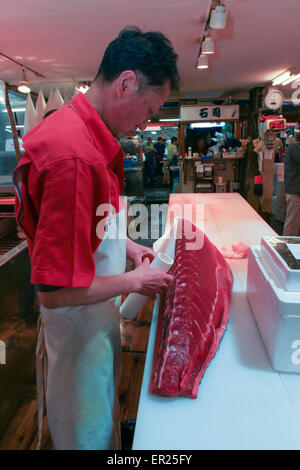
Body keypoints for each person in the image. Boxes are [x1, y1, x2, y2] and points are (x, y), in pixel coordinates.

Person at [13, 26, 179, 450]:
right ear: (126, 84)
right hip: (78, 331)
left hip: (95, 319)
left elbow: (90, 225)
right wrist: (134, 281)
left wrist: (128, 247)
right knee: (86, 435)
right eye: (150, 108)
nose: (147, 121)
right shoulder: (75, 155)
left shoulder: (88, 135)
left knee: (102, 421)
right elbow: (53, 292)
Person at [283, 125, 300, 236]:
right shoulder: (294, 146)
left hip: (296, 189)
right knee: (292, 225)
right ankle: (285, 250)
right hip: (295, 190)